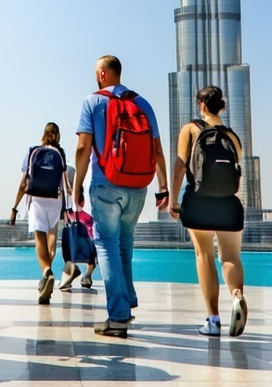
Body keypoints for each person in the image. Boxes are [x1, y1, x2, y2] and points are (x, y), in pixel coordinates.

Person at [72, 55, 168, 337]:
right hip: (138, 187)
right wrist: (163, 187)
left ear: (102, 74)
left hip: (106, 184)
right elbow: (157, 149)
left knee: (106, 244)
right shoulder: (143, 103)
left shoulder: (92, 102)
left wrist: (77, 186)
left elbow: (83, 147)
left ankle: (118, 316)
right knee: (125, 243)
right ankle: (127, 299)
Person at [168, 86, 248, 337]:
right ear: (222, 106)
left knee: (204, 256)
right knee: (231, 257)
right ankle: (237, 295)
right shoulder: (233, 137)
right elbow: (236, 173)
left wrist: (173, 200)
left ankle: (213, 320)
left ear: (201, 105)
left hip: (200, 202)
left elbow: (180, 167)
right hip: (228, 204)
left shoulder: (191, 129)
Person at [10, 122, 69, 304]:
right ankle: (46, 274)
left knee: (40, 238)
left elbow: (24, 182)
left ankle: (46, 271)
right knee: (51, 237)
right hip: (55, 199)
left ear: (43, 134)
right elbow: (65, 183)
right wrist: (69, 206)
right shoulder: (60, 153)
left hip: (36, 199)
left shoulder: (33, 151)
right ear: (58, 135)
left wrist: (14, 208)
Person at [59, 163, 97, 291]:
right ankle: (87, 275)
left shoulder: (64, 196)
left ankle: (70, 272)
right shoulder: (81, 193)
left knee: (68, 247)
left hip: (72, 234)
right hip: (87, 237)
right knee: (92, 254)